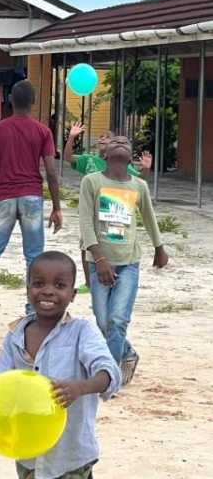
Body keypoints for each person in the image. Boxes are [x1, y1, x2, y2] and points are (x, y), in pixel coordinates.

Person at [0, 251, 121, 479]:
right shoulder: (14, 337)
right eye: (38, 283)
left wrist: (78, 388)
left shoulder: (82, 332)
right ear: (27, 290)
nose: (48, 290)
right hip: (28, 456)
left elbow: (110, 374)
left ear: (72, 294)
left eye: (59, 284)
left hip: (71, 458)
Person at [0, 81, 62, 331]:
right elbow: (52, 173)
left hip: (4, 197)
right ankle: (32, 310)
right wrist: (57, 207)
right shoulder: (43, 132)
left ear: (10, 100)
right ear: (33, 101)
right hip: (32, 197)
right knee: (33, 257)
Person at [79, 135, 168, 385]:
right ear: (104, 154)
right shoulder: (92, 181)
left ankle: (109, 376)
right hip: (99, 262)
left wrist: (159, 247)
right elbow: (86, 222)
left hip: (129, 262)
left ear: (130, 158)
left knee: (118, 320)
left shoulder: (139, 186)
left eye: (126, 142)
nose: (120, 142)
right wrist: (99, 259)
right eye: (114, 141)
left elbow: (149, 218)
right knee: (102, 319)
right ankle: (128, 353)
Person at [64, 122, 152, 293]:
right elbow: (68, 157)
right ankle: (90, 283)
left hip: (113, 212)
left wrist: (146, 169)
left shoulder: (123, 166)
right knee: (86, 246)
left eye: (108, 138)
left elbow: (139, 180)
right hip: (91, 212)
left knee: (112, 241)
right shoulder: (89, 159)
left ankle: (114, 275)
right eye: (102, 137)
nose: (104, 139)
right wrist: (72, 136)